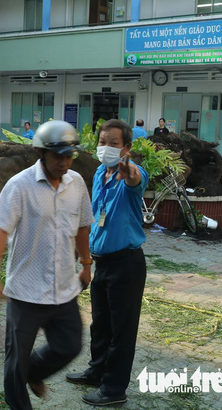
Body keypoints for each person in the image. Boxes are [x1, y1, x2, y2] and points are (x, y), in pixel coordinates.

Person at [0, 120, 94, 410]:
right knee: (15, 364)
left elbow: (83, 226)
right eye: (58, 156)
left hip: (64, 288)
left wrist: (86, 263)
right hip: (26, 292)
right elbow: (0, 231)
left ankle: (36, 371)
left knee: (70, 346)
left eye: (70, 155)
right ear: (41, 153)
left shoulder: (76, 184)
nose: (65, 162)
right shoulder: (19, 186)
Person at [66, 119, 149, 407]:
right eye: (102, 142)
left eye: (113, 143)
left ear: (127, 147)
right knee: (101, 323)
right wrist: (84, 252)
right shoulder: (101, 171)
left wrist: (130, 172)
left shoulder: (132, 175)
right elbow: (94, 216)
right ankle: (97, 371)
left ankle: (114, 389)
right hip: (101, 263)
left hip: (126, 264)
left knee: (122, 330)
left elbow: (135, 179)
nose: (106, 148)